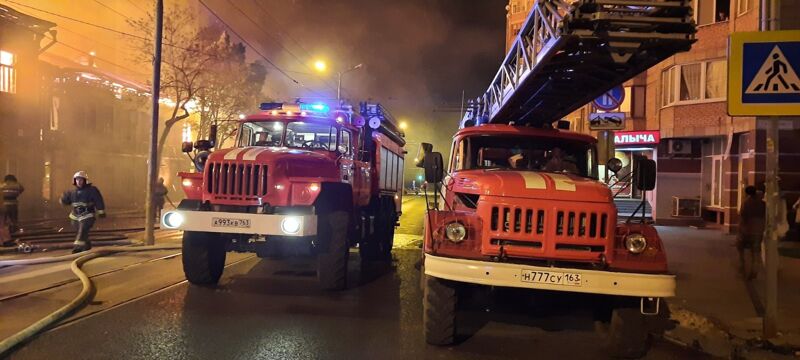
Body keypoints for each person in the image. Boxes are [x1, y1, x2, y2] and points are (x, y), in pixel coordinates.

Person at [60, 171, 106, 253]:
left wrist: (101, 211)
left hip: (87, 214)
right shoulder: (72, 192)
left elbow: (98, 200)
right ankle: (86, 244)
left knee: (82, 230)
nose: (79, 181)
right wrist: (63, 199)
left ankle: (78, 247)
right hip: (75, 216)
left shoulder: (92, 190)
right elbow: (66, 202)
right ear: (74, 181)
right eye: (77, 180)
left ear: (85, 180)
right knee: (81, 231)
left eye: (81, 180)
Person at [737, 185, 765, 279]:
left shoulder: (746, 203)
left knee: (741, 247)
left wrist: (740, 230)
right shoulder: (762, 204)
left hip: (747, 229)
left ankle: (742, 265)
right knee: (755, 251)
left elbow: (742, 217)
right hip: (759, 229)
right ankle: (754, 269)